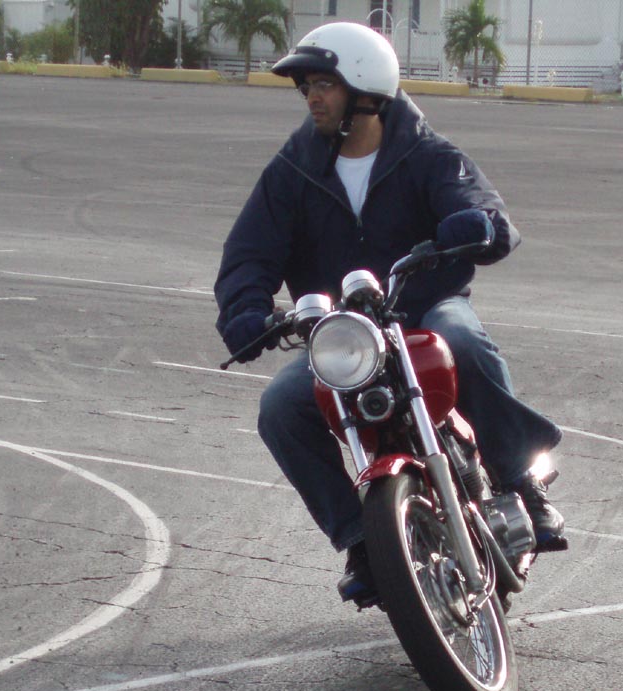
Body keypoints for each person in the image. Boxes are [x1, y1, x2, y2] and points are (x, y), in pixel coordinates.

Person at [214, 21, 566, 608]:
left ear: (365, 88)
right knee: (281, 408)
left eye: (325, 84)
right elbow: (250, 254)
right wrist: (246, 310)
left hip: (424, 309)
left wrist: (477, 225)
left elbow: (483, 208)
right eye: (308, 87)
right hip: (346, 335)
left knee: (463, 341)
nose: (313, 98)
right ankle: (362, 538)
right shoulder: (292, 171)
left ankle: (519, 479)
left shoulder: (428, 155)